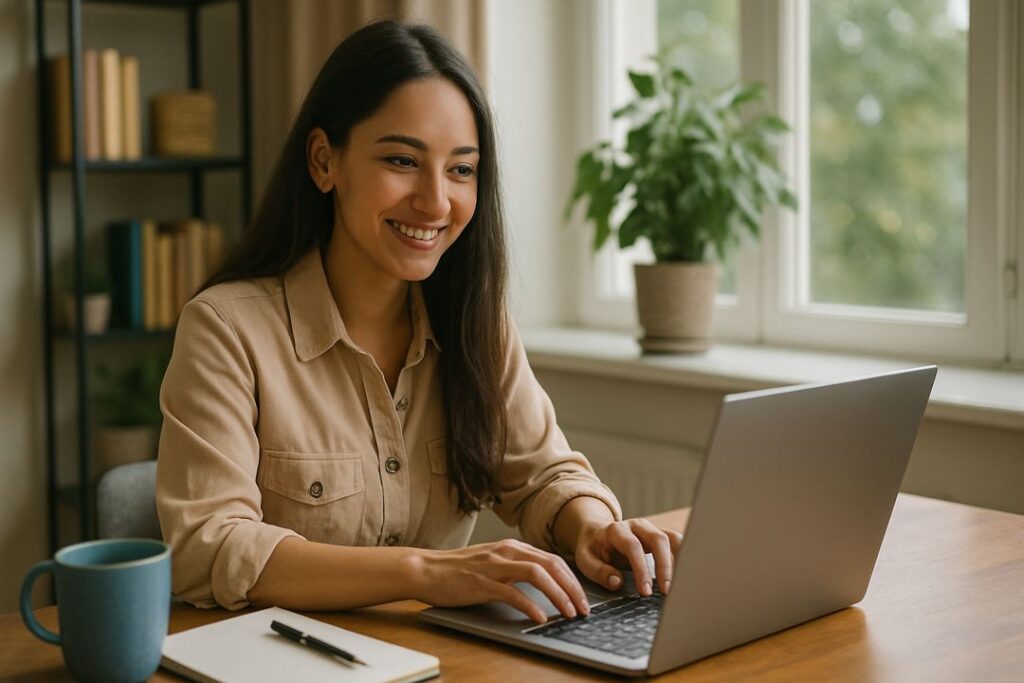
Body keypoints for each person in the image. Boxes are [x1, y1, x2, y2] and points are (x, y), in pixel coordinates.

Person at [155, 19, 681, 625]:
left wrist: (590, 526)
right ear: (325, 162)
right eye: (403, 160)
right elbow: (207, 546)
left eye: (461, 170)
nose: (435, 202)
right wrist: (426, 572)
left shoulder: (474, 323)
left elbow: (541, 475)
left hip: (431, 660)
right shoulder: (225, 329)